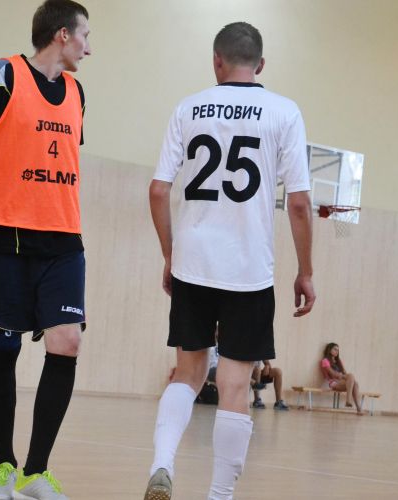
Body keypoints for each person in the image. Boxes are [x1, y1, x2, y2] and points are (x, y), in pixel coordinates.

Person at [144, 22, 315, 500]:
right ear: (261, 64)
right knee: (235, 385)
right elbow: (299, 204)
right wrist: (305, 271)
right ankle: (219, 495)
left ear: (216, 61)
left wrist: (170, 253)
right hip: (248, 269)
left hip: (193, 262)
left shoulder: (188, 107)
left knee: (188, 374)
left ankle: (162, 464)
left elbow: (158, 190)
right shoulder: (284, 112)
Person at [0, 1, 91, 499]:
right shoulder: (4, 75)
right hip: (2, 236)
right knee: (3, 346)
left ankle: (36, 471)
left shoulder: (76, 93)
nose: (88, 48)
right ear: (62, 34)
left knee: (67, 342)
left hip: (62, 239)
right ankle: (4, 464)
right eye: (85, 36)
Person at [320, 342, 366, 415]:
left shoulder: (338, 361)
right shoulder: (325, 361)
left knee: (355, 383)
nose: (337, 351)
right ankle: (356, 406)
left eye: (338, 350)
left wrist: (343, 376)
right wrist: (342, 376)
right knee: (351, 378)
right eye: (335, 349)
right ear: (329, 350)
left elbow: (344, 373)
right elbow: (333, 374)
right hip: (333, 383)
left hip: (341, 381)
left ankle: (355, 405)